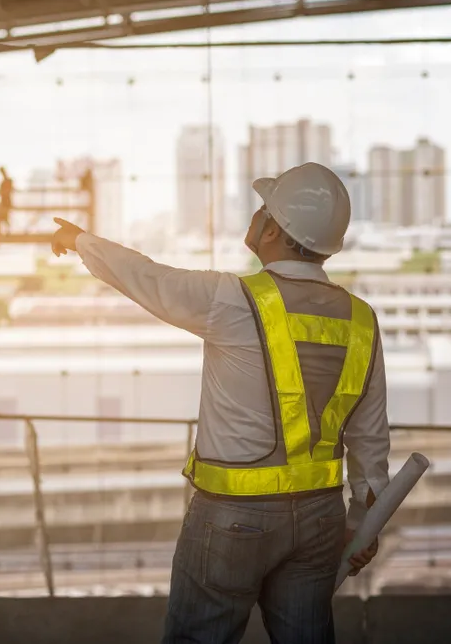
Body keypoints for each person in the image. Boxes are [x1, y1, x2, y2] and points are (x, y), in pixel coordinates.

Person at [51, 162, 389, 644]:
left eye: (262, 209)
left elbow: (148, 279)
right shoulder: (361, 319)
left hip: (234, 518)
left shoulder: (233, 300)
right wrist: (363, 524)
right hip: (320, 520)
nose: (254, 216)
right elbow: (370, 439)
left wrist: (82, 240)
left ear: (274, 227)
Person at [0, 166, 14, 238]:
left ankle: (3, 232)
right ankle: (6, 232)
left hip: (5, 203)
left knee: (1, 217)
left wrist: (0, 192)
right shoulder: (8, 181)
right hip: (6, 203)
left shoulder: (7, 181)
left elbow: (7, 191)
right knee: (5, 218)